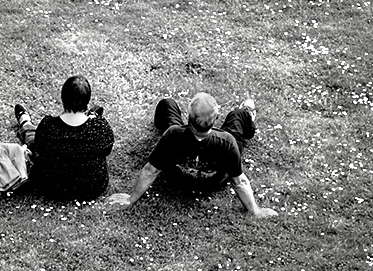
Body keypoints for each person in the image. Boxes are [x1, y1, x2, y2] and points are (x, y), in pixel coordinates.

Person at [108, 93, 277, 219]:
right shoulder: (227, 142)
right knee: (237, 116)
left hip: (177, 178)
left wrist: (131, 199)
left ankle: (243, 112)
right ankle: (247, 112)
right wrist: (255, 211)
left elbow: (150, 171)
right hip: (213, 181)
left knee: (167, 103)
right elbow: (239, 181)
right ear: (216, 118)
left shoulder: (173, 134)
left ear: (189, 117)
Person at [12, 75, 115, 201]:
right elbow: (107, 151)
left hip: (53, 187)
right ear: (87, 100)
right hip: (91, 187)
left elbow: (38, 151)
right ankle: (91, 115)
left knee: (33, 141)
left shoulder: (48, 126)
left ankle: (25, 122)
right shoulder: (99, 127)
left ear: (63, 97)